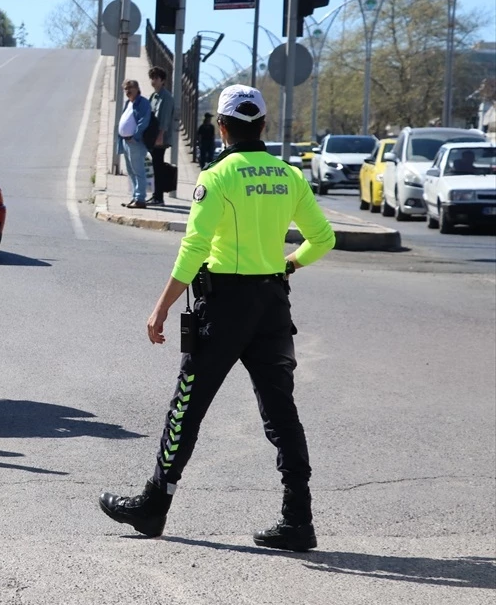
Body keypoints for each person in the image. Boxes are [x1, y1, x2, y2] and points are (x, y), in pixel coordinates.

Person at [99, 85, 336, 552]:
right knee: (282, 413)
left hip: (223, 307)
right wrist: (287, 264)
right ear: (263, 126)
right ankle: (298, 519)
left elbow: (194, 248)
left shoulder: (218, 176)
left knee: (186, 407)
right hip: (272, 306)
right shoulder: (289, 176)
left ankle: (154, 505)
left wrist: (162, 305)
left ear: (222, 127)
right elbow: (323, 239)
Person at [121, 80, 152, 209]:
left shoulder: (142, 103)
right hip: (126, 141)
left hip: (135, 142)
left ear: (137, 88)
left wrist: (136, 136)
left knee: (138, 171)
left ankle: (140, 199)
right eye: (126, 89)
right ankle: (135, 196)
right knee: (131, 171)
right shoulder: (129, 103)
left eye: (130, 88)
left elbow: (144, 120)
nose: (128, 91)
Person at [147, 67, 174, 206]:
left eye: (156, 78)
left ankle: (159, 197)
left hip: (160, 138)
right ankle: (155, 195)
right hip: (152, 137)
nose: (153, 81)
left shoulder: (166, 97)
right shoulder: (153, 96)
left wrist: (160, 136)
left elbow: (165, 120)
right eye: (152, 78)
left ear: (162, 80)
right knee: (154, 166)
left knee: (158, 167)